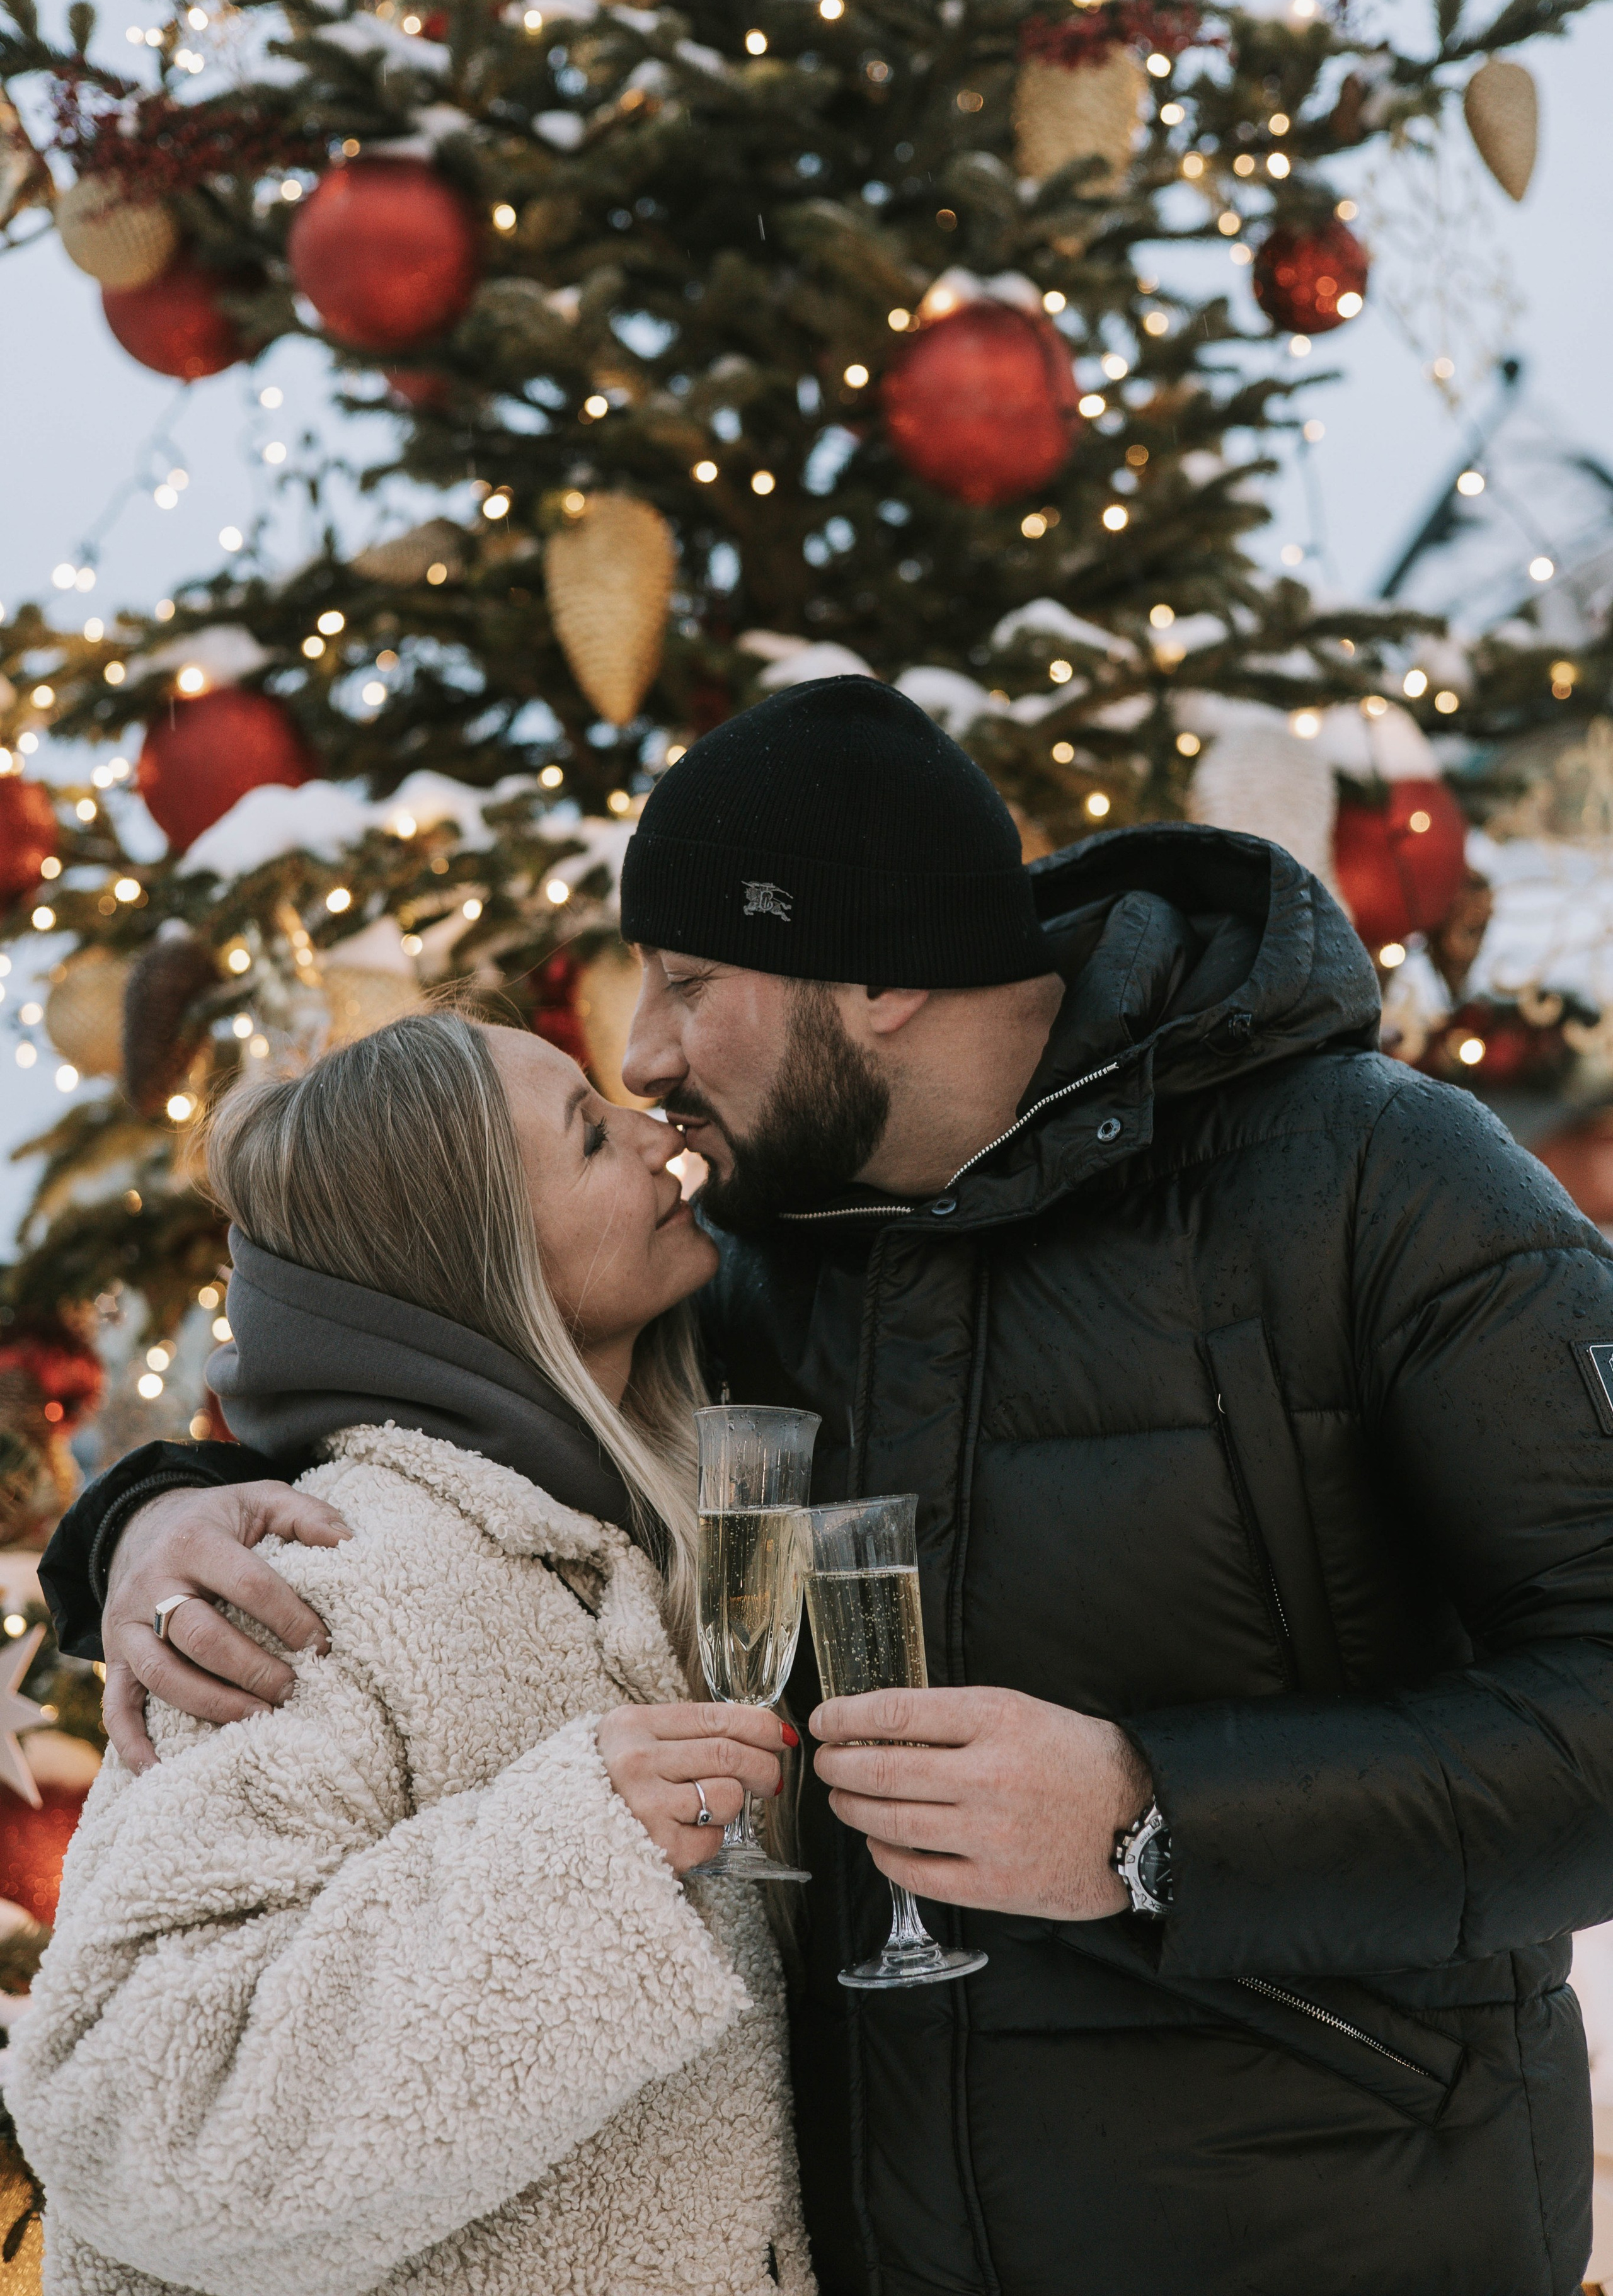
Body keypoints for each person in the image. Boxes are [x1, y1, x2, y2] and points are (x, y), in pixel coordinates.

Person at [38, 676, 1613, 2296]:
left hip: (1336, 2241)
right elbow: (448, 1381)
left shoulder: (1373, 1182)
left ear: (870, 970)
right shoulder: (746, 1267)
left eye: (687, 979)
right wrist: (139, 1515)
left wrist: (1158, 1821)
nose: (642, 1053)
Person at [10, 1012, 812, 2296]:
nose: (659, 1134)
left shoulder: (638, 1538)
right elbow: (134, 2114)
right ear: (475, 1254)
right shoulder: (319, 1590)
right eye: (589, 1137)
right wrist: (579, 1860)